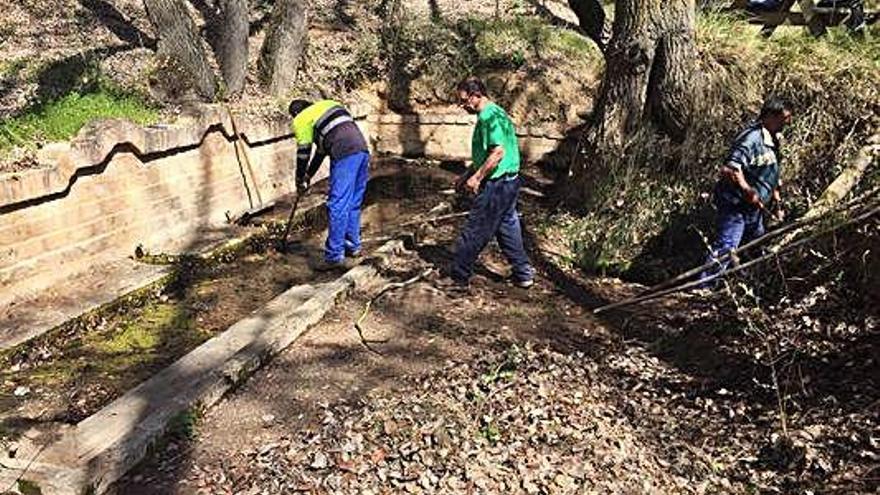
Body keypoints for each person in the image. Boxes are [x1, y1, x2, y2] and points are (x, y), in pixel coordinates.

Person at [440, 77, 535, 291]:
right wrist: (466, 175)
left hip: (497, 186)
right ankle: (523, 273)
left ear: (476, 96)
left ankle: (458, 278)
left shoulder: (488, 116)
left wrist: (477, 178)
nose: (462, 106)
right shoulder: (497, 112)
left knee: (475, 229)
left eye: (464, 101)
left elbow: (497, 153)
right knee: (508, 227)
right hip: (510, 182)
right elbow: (485, 154)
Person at [700, 96, 792, 286]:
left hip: (754, 208)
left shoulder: (773, 140)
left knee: (756, 244)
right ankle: (704, 287)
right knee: (727, 245)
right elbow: (731, 168)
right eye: (783, 119)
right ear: (769, 117)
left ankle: (747, 286)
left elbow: (772, 174)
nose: (787, 123)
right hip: (736, 203)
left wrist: (777, 202)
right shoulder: (751, 138)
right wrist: (748, 190)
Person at [289, 99, 370, 271]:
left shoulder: (301, 118)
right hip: (362, 151)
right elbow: (319, 154)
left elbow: (304, 153)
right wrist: (308, 176)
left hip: (344, 153)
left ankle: (334, 256)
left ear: (296, 114)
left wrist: (298, 179)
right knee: (353, 203)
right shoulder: (327, 107)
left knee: (337, 205)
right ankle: (353, 246)